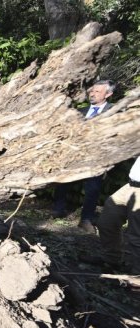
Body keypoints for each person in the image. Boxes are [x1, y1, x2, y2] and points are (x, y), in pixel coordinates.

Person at [52, 80, 115, 233]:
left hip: (97, 158)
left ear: (108, 94)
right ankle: (58, 210)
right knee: (62, 182)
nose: (92, 94)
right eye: (92, 91)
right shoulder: (80, 111)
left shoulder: (115, 111)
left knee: (93, 188)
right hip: (74, 155)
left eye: (98, 91)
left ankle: (86, 219)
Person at [96, 157, 140, 272]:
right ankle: (111, 259)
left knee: (136, 234)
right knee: (107, 222)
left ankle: (138, 274)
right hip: (131, 185)